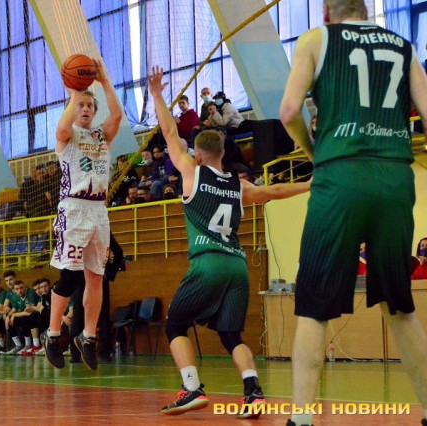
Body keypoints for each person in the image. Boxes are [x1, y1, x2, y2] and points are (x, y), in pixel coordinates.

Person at [279, 1, 427, 425]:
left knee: (313, 306)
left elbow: (288, 112)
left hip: (339, 176)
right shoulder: (404, 46)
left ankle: (301, 419)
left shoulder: (316, 39)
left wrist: (315, 152)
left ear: (327, 11)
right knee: (399, 306)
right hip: (394, 178)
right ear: (364, 9)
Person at [148, 66, 311, 417]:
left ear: (198, 155)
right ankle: (253, 393)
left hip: (208, 263)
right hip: (237, 265)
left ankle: (192, 388)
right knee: (231, 335)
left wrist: (158, 94)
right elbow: (275, 191)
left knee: (175, 325)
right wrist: (312, 184)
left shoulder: (191, 172)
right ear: (223, 154)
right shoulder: (240, 186)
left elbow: (168, 131)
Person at [44, 57, 122, 371]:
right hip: (74, 208)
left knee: (96, 277)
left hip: (99, 211)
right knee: (71, 275)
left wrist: (104, 80)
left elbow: (117, 115)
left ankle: (88, 336)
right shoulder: (68, 136)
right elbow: (62, 127)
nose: (86, 109)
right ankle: (52, 335)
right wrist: (75, 92)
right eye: (82, 106)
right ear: (74, 109)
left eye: (90, 106)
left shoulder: (101, 136)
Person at [69, 232, 124, 363]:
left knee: (101, 316)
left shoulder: (102, 231)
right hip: (82, 278)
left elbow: (119, 252)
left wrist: (110, 273)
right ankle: (77, 353)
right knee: (79, 316)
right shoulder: (78, 231)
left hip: (97, 277)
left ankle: (103, 353)